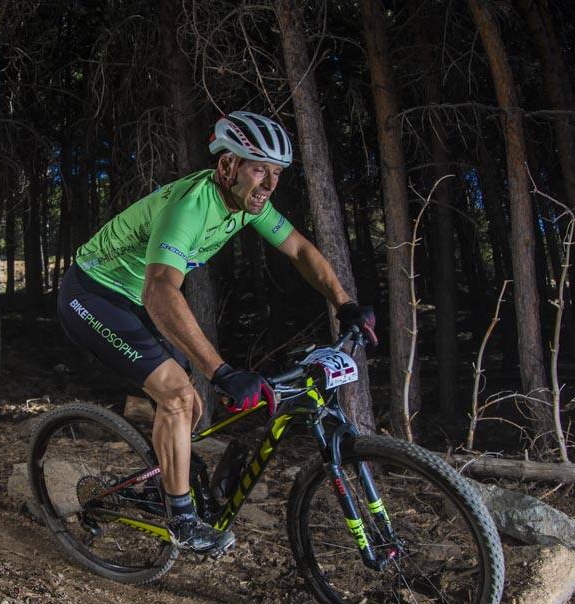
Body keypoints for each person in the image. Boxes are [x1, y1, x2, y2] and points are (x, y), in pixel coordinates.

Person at [56, 111, 377, 557]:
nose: (268, 184)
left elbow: (300, 250)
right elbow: (159, 290)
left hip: (139, 299)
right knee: (178, 395)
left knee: (190, 400)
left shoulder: (249, 205)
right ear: (227, 166)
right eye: (259, 169)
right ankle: (182, 521)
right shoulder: (190, 205)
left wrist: (344, 303)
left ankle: (165, 484)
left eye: (277, 172)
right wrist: (222, 370)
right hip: (95, 294)